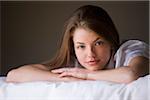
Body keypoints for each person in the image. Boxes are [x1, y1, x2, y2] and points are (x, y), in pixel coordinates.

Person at [6, 5, 149, 84]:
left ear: (110, 41)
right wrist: (64, 78)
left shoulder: (130, 49)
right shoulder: (74, 64)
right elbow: (14, 75)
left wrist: (86, 75)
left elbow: (131, 74)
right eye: (81, 46)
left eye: (98, 43)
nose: (90, 54)